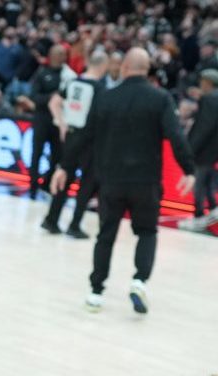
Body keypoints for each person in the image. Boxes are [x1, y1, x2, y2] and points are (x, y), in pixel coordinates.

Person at [52, 48, 195, 315]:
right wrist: (189, 169)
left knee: (105, 235)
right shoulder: (161, 98)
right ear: (147, 68)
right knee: (147, 232)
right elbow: (176, 136)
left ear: (125, 67)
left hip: (111, 180)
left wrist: (64, 166)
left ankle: (96, 292)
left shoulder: (106, 97)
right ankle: (139, 281)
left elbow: (83, 135)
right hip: (146, 181)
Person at [40, 49, 109, 239]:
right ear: (103, 66)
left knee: (63, 176)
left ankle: (51, 219)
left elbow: (54, 102)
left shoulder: (73, 82)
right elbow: (99, 117)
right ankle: (75, 224)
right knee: (87, 182)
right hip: (89, 140)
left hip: (69, 136)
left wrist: (62, 123)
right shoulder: (99, 88)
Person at [20, 44, 73, 198]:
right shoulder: (42, 73)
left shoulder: (68, 76)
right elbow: (34, 97)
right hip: (42, 119)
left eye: (63, 54)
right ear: (52, 55)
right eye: (59, 54)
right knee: (36, 153)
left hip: (59, 122)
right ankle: (33, 187)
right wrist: (51, 97)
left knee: (57, 156)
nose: (62, 57)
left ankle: (47, 184)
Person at [186, 69, 218, 227]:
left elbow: (204, 127)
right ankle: (212, 208)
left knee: (199, 182)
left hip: (205, 150)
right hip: (213, 151)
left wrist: (191, 147)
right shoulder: (212, 98)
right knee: (206, 182)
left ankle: (199, 215)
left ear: (208, 83)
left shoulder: (209, 99)